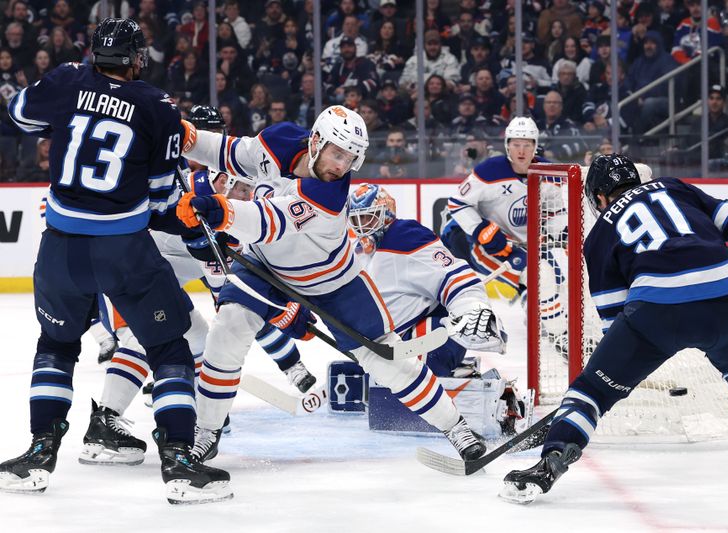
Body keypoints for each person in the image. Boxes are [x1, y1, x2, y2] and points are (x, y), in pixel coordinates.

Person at [0, 18, 231, 504]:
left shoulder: (67, 78)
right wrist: (195, 227)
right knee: (170, 349)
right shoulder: (158, 106)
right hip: (124, 252)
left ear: (93, 53)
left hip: (59, 248)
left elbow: (19, 114)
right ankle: (180, 464)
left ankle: (38, 456)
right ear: (137, 60)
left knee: (56, 347)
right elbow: (159, 202)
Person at [177, 105, 487, 464]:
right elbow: (230, 153)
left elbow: (269, 222)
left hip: (332, 280)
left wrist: (222, 212)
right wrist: (184, 137)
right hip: (265, 266)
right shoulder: (278, 141)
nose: (342, 166)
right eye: (337, 154)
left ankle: (456, 427)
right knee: (227, 330)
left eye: (351, 158)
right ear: (316, 141)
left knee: (385, 358)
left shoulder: (329, 195)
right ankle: (207, 432)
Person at [500, 154, 728, 504]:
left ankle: (550, 463)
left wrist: (619, 371)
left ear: (600, 197)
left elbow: (615, 319)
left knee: (590, 389)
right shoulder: (676, 188)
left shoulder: (600, 233)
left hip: (657, 313)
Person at [346, 184, 524, 433]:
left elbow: (455, 275)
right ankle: (459, 377)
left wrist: (473, 308)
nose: (362, 225)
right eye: (356, 219)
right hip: (393, 340)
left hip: (432, 336)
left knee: (407, 380)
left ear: (386, 212)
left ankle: (494, 402)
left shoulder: (403, 235)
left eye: (368, 216)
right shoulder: (360, 250)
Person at [442, 117, 570, 355]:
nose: (521, 151)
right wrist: (481, 230)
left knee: (554, 281)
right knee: (537, 276)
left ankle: (539, 318)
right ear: (507, 146)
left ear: (535, 146)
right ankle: (560, 335)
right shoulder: (490, 171)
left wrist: (560, 232)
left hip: (530, 246)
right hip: (491, 247)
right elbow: (457, 203)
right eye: (516, 144)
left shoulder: (547, 173)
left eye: (527, 144)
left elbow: (555, 211)